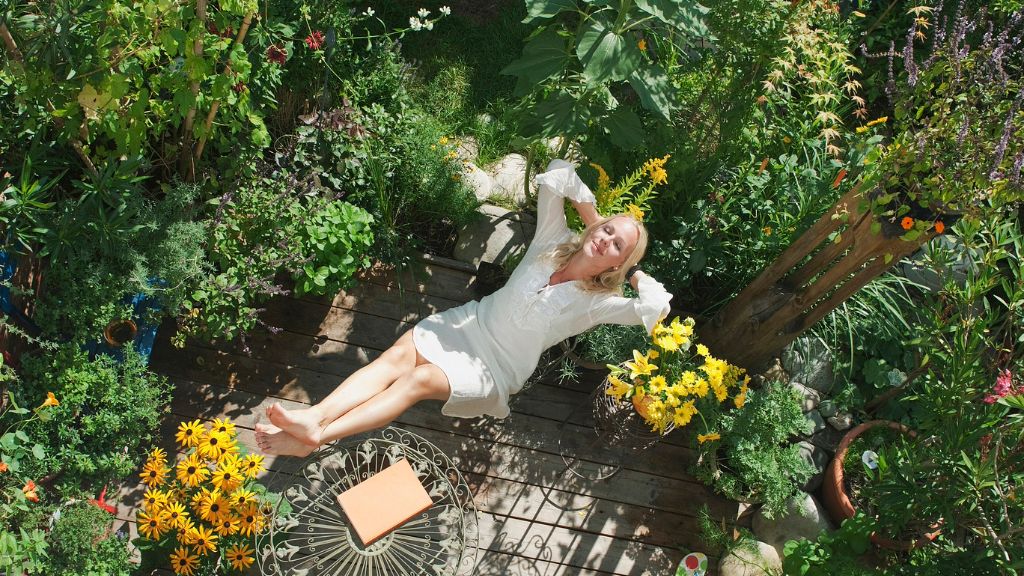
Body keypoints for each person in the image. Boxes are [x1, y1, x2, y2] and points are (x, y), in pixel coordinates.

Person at [256, 159, 672, 456]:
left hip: (495, 369)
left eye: (618, 245)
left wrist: (631, 273)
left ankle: (318, 437)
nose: (606, 240)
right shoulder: (552, 239)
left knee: (416, 380)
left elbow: (656, 307)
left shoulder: (599, 303)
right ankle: (316, 419)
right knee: (393, 360)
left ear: (619, 260)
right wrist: (595, 218)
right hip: (468, 324)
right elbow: (559, 172)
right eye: (607, 231)